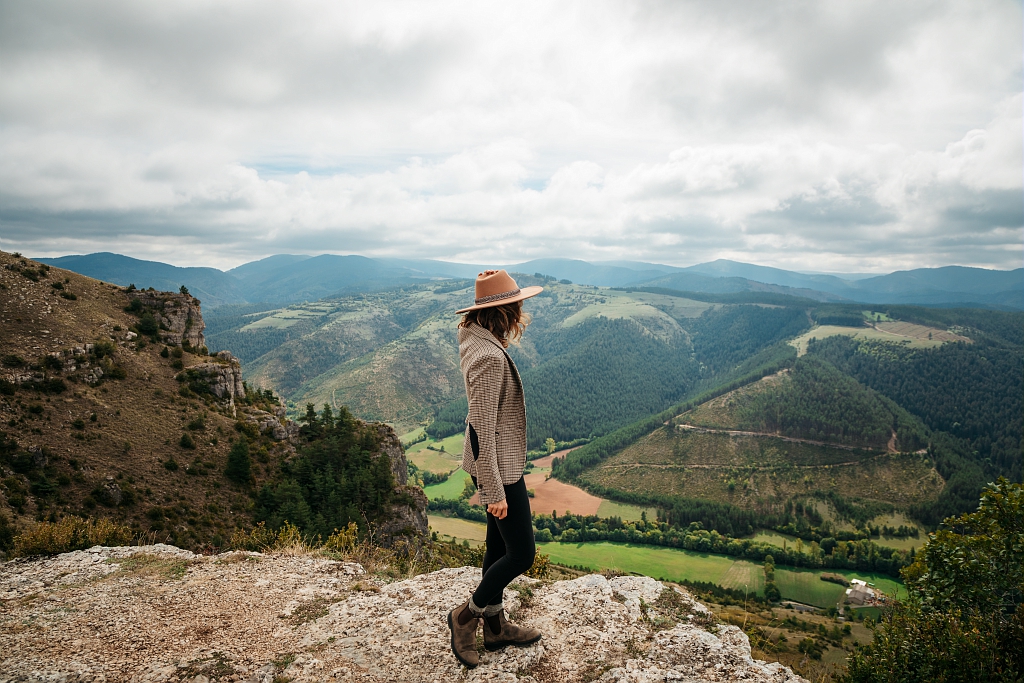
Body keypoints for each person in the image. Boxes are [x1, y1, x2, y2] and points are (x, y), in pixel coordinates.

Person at [447, 269, 544, 668]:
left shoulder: (473, 339)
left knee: (497, 547)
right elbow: (482, 426)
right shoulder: (488, 357)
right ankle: (465, 616)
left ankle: (496, 627)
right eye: (517, 304)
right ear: (505, 311)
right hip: (498, 466)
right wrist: (494, 490)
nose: (522, 310)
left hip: (494, 462)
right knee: (521, 553)